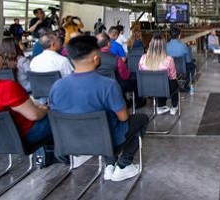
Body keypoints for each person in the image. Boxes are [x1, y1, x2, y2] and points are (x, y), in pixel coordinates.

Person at [49, 35, 148, 182]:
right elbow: (123, 118)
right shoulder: (107, 85)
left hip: (70, 142)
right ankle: (123, 165)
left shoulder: (57, 86)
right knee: (140, 119)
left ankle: (109, 164)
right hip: (104, 142)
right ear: (95, 58)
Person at [0, 41, 51, 154]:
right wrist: (44, 109)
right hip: (24, 136)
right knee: (58, 116)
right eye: (0, 55)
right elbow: (35, 116)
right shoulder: (6, 87)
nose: (2, 58)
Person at [138, 32, 180, 115]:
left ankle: (160, 106)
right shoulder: (168, 59)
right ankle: (174, 107)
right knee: (173, 82)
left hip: (147, 88)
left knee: (156, 81)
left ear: (151, 45)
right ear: (164, 46)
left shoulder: (143, 58)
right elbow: (173, 76)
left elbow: (141, 73)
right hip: (163, 88)